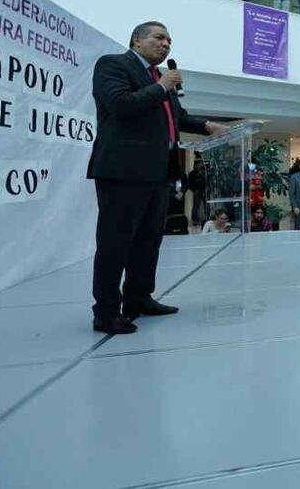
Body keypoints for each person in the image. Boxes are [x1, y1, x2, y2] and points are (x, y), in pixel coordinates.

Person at [88, 21, 228, 334]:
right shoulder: (113, 65)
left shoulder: (157, 78)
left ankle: (139, 297)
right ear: (137, 40)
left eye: (169, 40)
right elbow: (121, 105)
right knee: (115, 242)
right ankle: (106, 312)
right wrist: (163, 85)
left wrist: (208, 126)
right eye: (159, 38)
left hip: (158, 171)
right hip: (122, 170)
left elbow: (176, 118)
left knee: (148, 240)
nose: (166, 44)